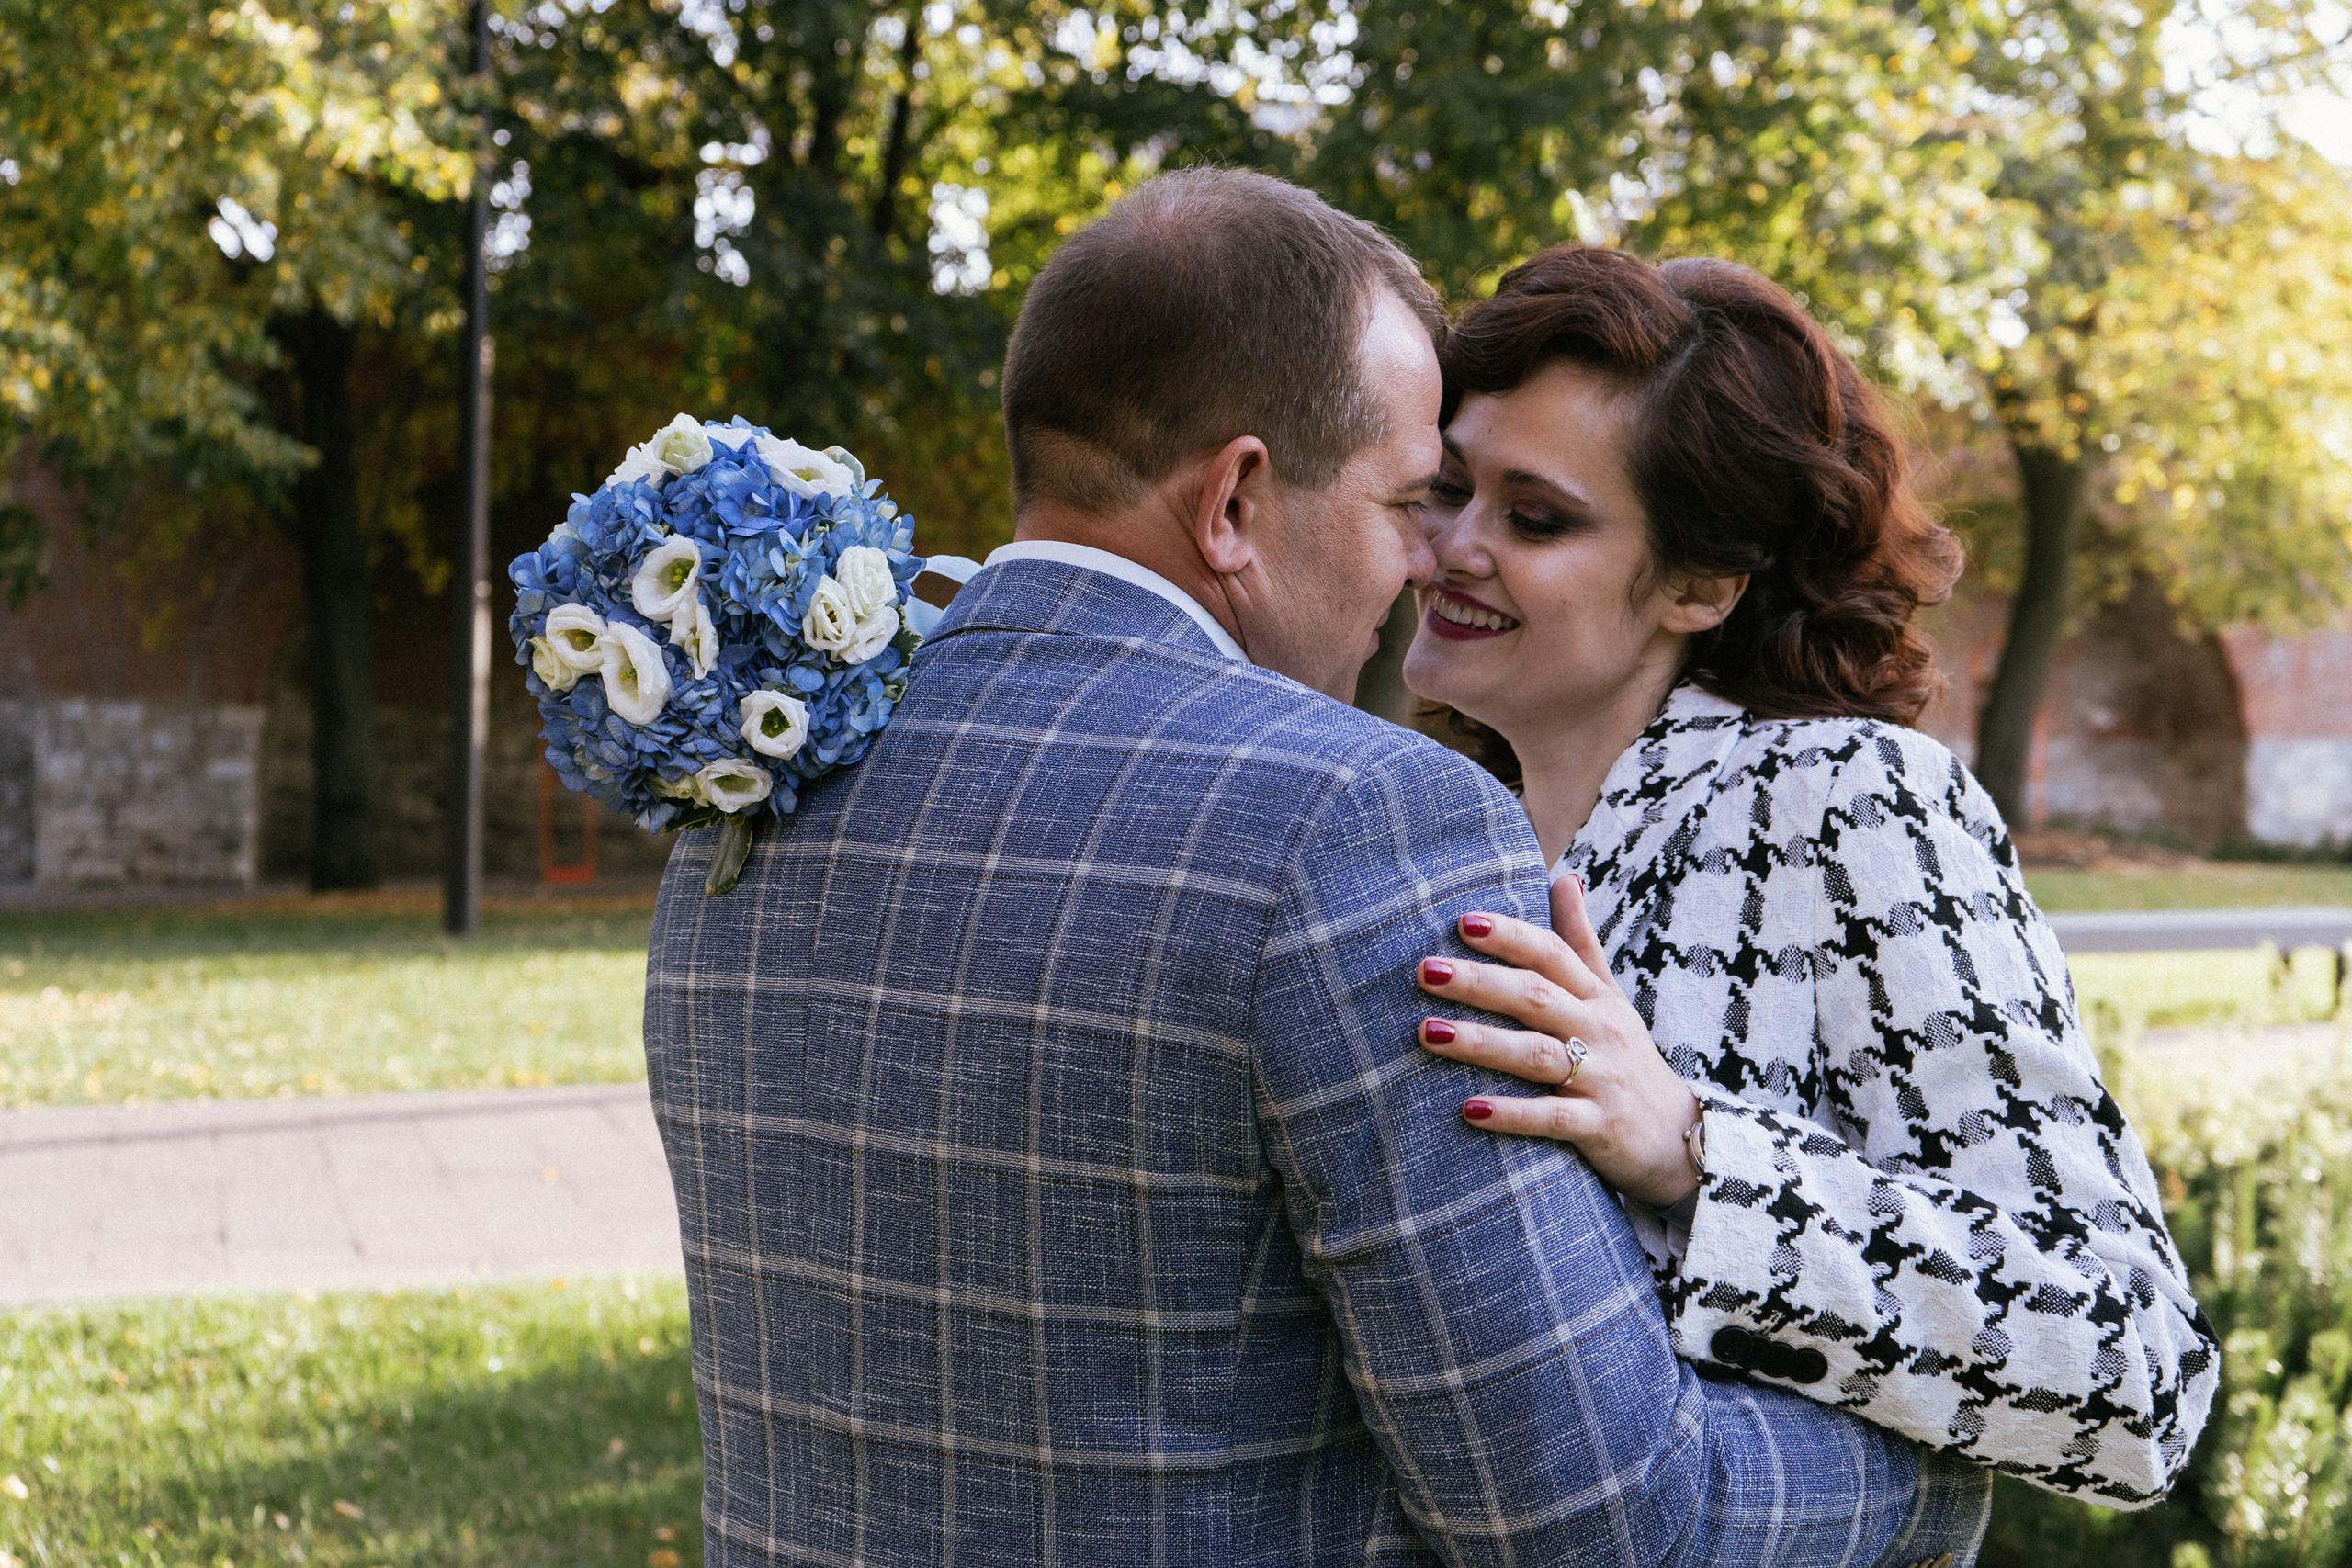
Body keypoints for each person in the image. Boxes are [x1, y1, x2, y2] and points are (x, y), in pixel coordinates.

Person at [642, 170, 1989, 1565]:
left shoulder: (751, 790)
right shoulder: (1355, 822)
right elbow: (1601, 1525)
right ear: (1234, 501)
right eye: (1414, 498)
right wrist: (1932, 1478)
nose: (1427, 562)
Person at [1398, 245, 2219, 1505]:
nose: (1452, 547)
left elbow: (2134, 1369)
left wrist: (1695, 1152)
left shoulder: (1847, 798)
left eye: (1536, 516)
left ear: (1702, 582)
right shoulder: (1433, 827)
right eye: (1446, 488)